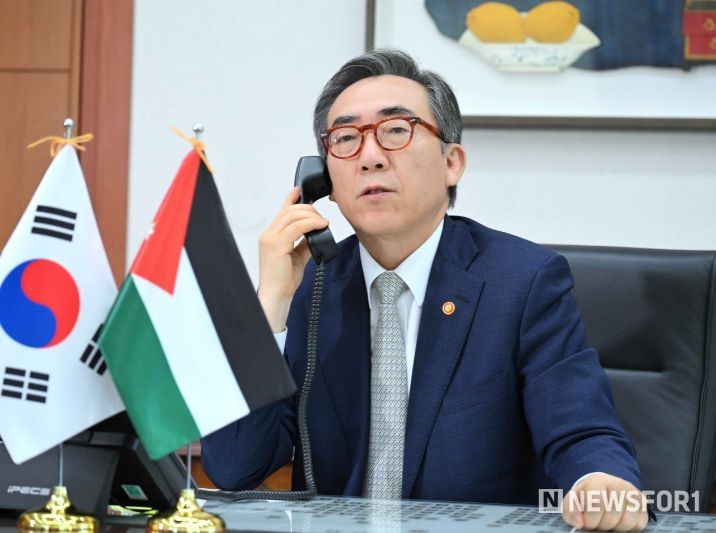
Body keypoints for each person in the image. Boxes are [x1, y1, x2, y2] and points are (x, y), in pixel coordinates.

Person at [201, 49, 648, 531]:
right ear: (322, 177)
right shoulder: (311, 284)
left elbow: (580, 428)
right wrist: (268, 305)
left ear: (451, 163)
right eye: (346, 139)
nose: (370, 157)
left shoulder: (522, 280)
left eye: (396, 130)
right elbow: (234, 468)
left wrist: (600, 480)